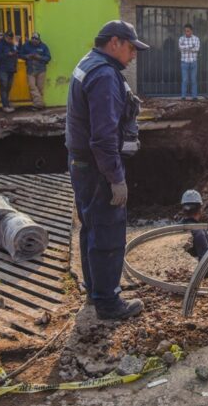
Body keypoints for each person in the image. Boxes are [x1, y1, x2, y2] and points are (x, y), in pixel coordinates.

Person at [65, 20, 149, 321]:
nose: (134, 55)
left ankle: (95, 291)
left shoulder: (89, 62)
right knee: (108, 232)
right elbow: (102, 136)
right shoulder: (103, 76)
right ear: (114, 42)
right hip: (98, 167)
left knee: (91, 228)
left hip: (82, 163)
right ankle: (109, 303)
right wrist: (116, 178)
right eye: (131, 48)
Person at [20, 32, 52, 110]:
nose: (34, 41)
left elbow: (48, 57)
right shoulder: (26, 45)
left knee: (40, 88)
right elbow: (20, 54)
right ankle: (39, 103)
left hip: (41, 70)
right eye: (33, 39)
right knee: (32, 86)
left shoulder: (44, 47)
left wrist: (39, 57)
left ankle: (37, 105)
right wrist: (27, 56)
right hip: (30, 70)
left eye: (36, 39)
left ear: (39, 40)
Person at [179, 189, 208, 259]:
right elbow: (207, 262)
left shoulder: (176, 228)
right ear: (200, 209)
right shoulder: (199, 232)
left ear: (183, 210)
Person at [0, 30, 19, 113]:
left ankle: (6, 103)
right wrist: (7, 54)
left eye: (11, 38)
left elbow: (15, 55)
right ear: (5, 37)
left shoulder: (12, 45)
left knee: (8, 87)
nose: (10, 39)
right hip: (2, 69)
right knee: (4, 86)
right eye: (8, 37)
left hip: (10, 69)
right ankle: (5, 106)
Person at [178, 24, 200, 101]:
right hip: (184, 62)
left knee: (193, 80)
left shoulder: (196, 38)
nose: (186, 33)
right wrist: (191, 47)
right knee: (185, 80)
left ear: (191, 31)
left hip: (193, 62)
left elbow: (197, 49)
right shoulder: (181, 39)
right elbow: (180, 48)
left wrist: (186, 48)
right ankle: (183, 96)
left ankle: (194, 97)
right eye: (185, 31)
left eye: (188, 31)